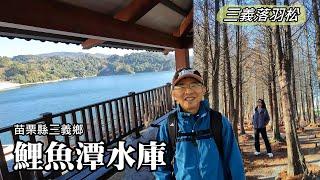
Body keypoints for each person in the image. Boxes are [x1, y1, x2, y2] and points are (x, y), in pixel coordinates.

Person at [153, 67, 245, 180]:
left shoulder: (218, 122)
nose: (188, 91)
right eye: (181, 86)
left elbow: (234, 162)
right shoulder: (169, 126)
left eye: (194, 85)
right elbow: (159, 166)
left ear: (203, 90)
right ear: (173, 94)